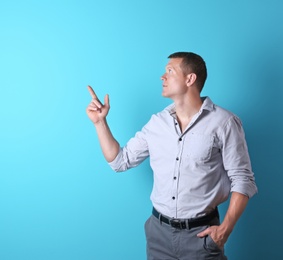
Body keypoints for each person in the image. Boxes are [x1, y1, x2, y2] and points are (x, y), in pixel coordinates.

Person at [86, 52, 257, 260]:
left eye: (170, 71)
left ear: (190, 79)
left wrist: (225, 229)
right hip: (158, 235)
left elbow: (243, 180)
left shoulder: (225, 123)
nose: (162, 77)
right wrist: (100, 122)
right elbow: (119, 161)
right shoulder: (157, 123)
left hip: (202, 236)